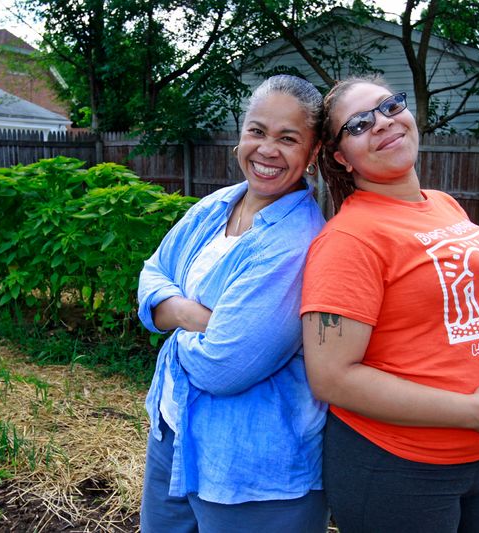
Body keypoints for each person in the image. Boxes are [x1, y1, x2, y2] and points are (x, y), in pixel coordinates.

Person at [300, 75, 479, 532]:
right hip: (399, 466)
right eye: (358, 125)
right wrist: (473, 411)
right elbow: (331, 377)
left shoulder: (445, 205)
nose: (383, 123)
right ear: (340, 157)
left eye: (390, 106)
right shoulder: (349, 240)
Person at [137, 75, 328, 533]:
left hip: (253, 469)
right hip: (175, 429)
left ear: (314, 153)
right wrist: (195, 318)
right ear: (240, 135)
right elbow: (150, 276)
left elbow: (224, 366)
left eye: (288, 138)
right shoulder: (216, 206)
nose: (267, 149)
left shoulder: (296, 243)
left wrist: (173, 322)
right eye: (257, 131)